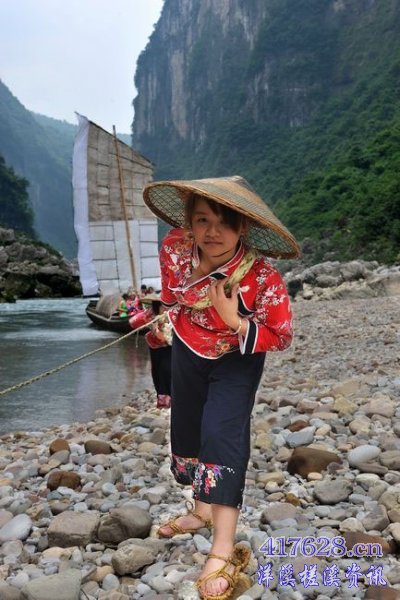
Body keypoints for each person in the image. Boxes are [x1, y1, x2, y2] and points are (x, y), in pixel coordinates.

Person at [143, 175, 300, 600]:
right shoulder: (175, 248)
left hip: (236, 358)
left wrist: (235, 321)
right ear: (189, 223)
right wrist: (182, 295)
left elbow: (281, 335)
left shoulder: (263, 278)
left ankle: (223, 548)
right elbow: (172, 295)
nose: (213, 232)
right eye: (202, 221)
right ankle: (201, 511)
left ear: (243, 226)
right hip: (188, 347)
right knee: (189, 426)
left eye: (225, 223)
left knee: (222, 433)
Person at [144, 299, 172, 408]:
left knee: (167, 369)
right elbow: (145, 320)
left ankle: (170, 397)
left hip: (170, 345)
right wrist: (155, 329)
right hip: (155, 345)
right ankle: (162, 399)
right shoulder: (151, 313)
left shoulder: (173, 311)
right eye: (162, 305)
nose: (164, 308)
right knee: (157, 371)